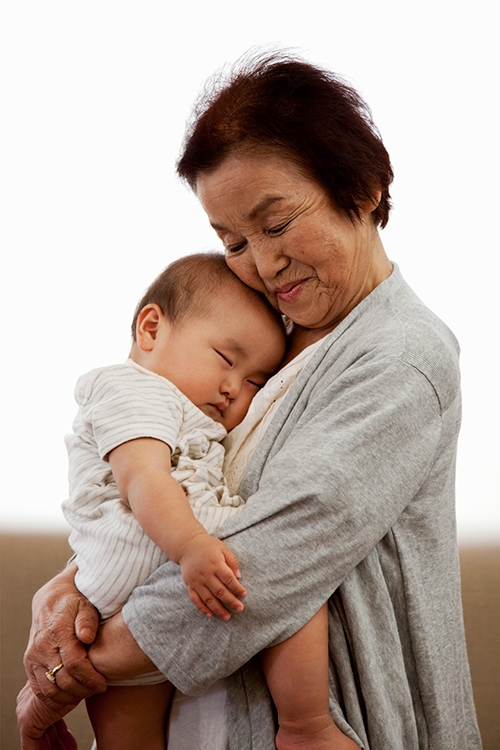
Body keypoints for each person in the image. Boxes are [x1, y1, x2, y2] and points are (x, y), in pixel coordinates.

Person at [17, 50, 482, 750]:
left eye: (275, 224)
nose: (262, 265)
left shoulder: (403, 358)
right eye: (231, 240)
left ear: (359, 187)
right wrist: (72, 585)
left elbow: (260, 567)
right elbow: (181, 484)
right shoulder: (266, 338)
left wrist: (67, 672)